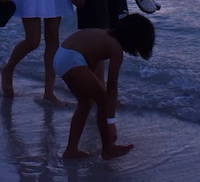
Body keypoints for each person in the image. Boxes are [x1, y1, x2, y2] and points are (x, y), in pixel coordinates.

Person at [56, 14, 155, 160]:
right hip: (72, 60)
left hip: (62, 57)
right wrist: (111, 122)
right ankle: (108, 148)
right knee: (102, 99)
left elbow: (91, 57)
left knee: (86, 102)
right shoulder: (115, 48)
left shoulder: (105, 35)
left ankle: (71, 150)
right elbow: (112, 87)